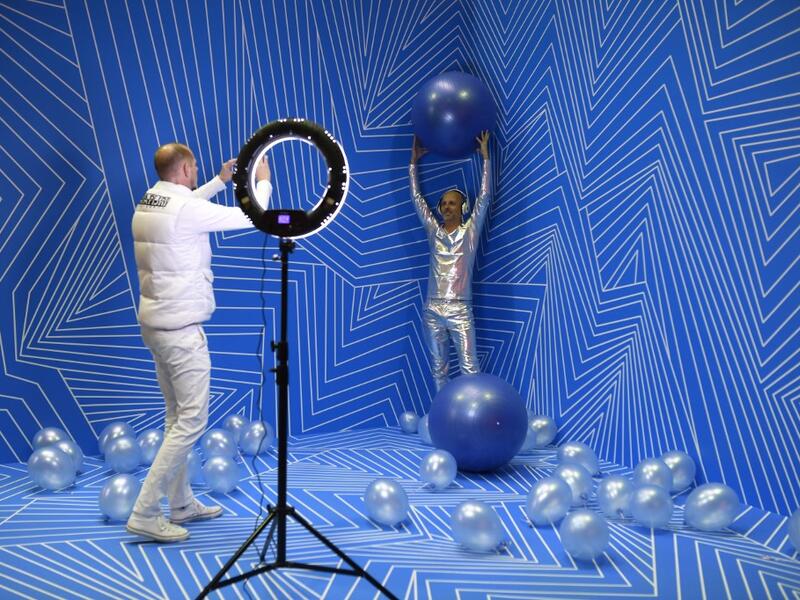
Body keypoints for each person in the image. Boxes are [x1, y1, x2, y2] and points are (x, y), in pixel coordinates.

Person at [126, 143, 271, 542]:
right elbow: (253, 216)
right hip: (180, 332)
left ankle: (181, 504)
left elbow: (185, 207)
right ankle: (145, 511)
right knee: (191, 421)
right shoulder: (184, 208)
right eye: (195, 169)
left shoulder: (150, 201)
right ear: (187, 168)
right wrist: (263, 181)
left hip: (156, 327)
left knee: (177, 419)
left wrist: (220, 182)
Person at [409, 131, 491, 391]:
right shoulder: (434, 231)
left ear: (463, 208)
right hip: (432, 309)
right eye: (444, 203)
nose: (446, 207)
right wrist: (412, 164)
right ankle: (441, 412)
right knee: (438, 369)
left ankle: (474, 413)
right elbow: (417, 199)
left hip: (460, 309)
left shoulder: (469, 233)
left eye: (452, 203)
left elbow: (484, 197)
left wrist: (486, 159)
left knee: (470, 369)